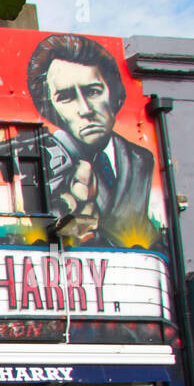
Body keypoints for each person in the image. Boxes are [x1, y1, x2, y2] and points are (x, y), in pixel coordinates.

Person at [25, 34, 157, 247]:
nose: (85, 110)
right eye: (66, 97)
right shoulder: (49, 160)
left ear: (113, 93)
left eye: (93, 91)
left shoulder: (141, 158)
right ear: (50, 108)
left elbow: (143, 228)